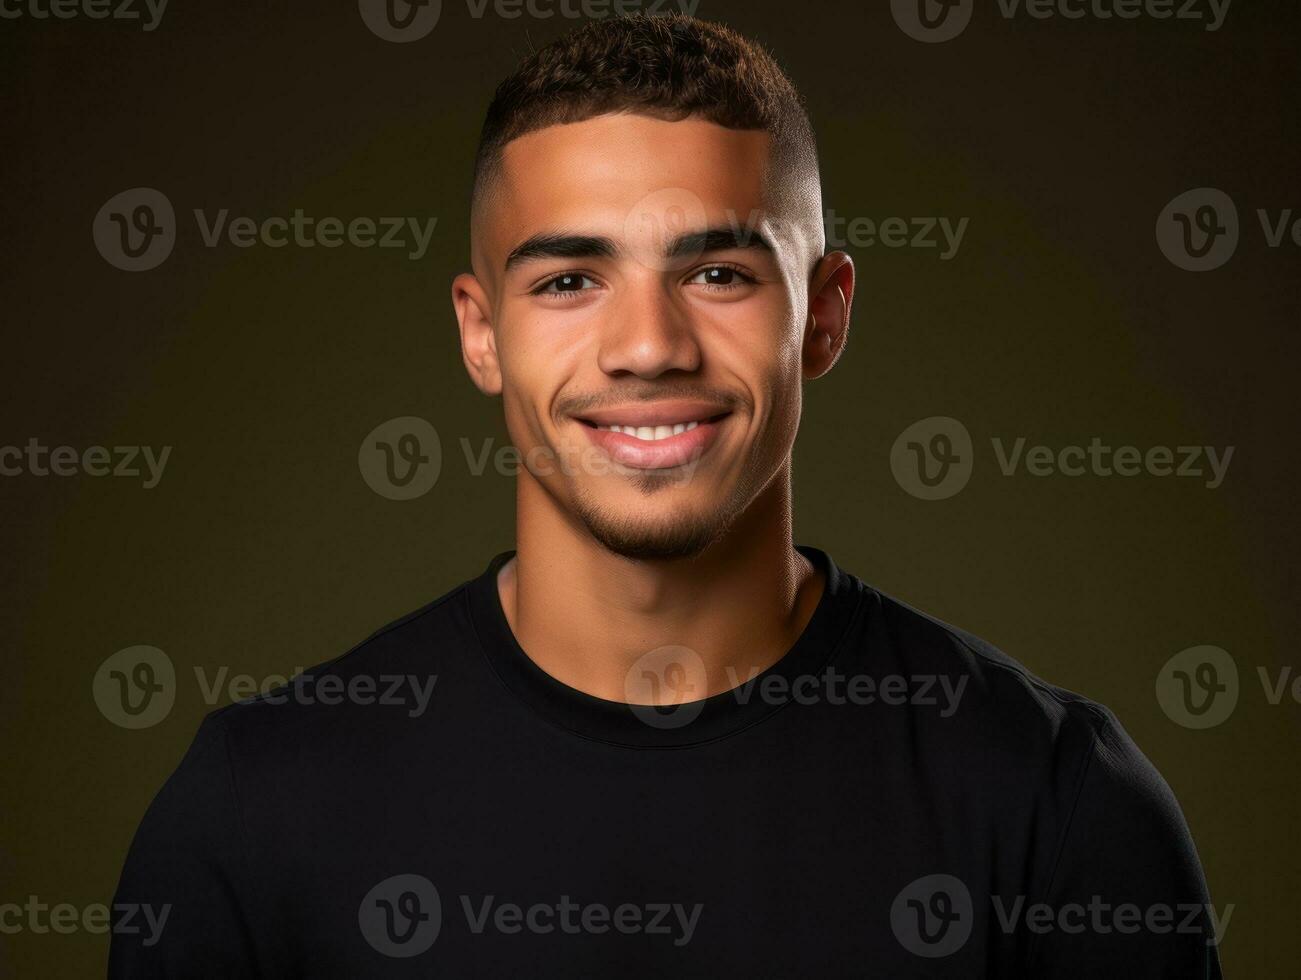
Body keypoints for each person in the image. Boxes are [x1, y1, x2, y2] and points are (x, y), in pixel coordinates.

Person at [109, 13, 1222, 977]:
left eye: (717, 273)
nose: (646, 345)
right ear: (479, 332)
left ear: (822, 313)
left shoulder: (1055, 805)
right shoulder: (252, 812)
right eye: (568, 280)